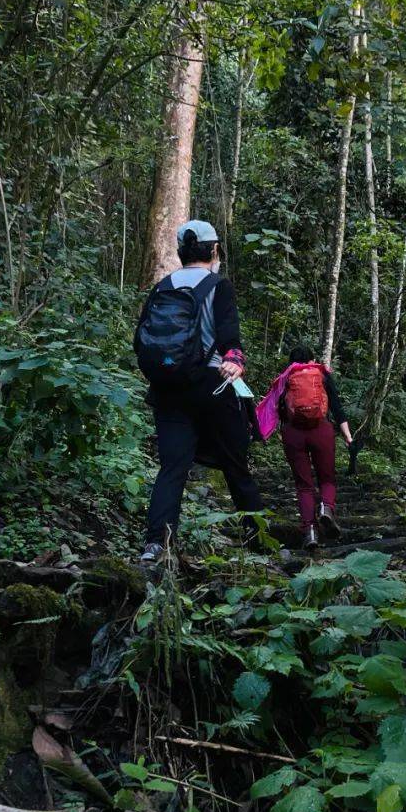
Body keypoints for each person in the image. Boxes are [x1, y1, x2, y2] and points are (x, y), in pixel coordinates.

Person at [134, 219, 263, 564]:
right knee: (236, 464)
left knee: (172, 468)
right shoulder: (218, 285)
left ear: (180, 252)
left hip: (167, 388)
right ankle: (259, 542)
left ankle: (155, 546)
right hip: (212, 385)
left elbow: (141, 339)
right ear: (214, 250)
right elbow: (229, 336)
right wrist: (234, 359)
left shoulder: (162, 287)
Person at [257, 344, 353, 549]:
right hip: (322, 430)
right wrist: (347, 435)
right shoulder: (321, 374)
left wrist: (263, 432)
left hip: (293, 434)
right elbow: (336, 406)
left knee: (304, 486)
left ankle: (310, 532)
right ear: (311, 359)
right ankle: (326, 509)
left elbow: (274, 409)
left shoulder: (285, 378)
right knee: (327, 478)